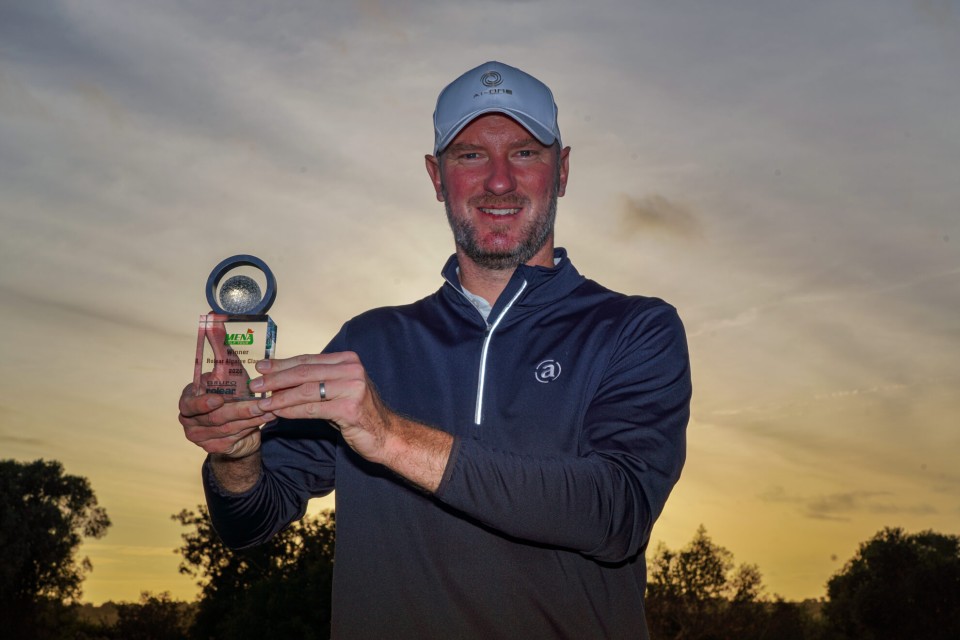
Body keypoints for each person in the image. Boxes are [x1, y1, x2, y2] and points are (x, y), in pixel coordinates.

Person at [179, 60, 691, 639]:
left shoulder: (635, 328)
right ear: (437, 177)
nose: (499, 181)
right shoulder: (368, 342)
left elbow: (617, 514)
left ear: (563, 169)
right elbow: (250, 523)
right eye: (470, 155)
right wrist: (235, 454)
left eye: (525, 152)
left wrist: (390, 436)